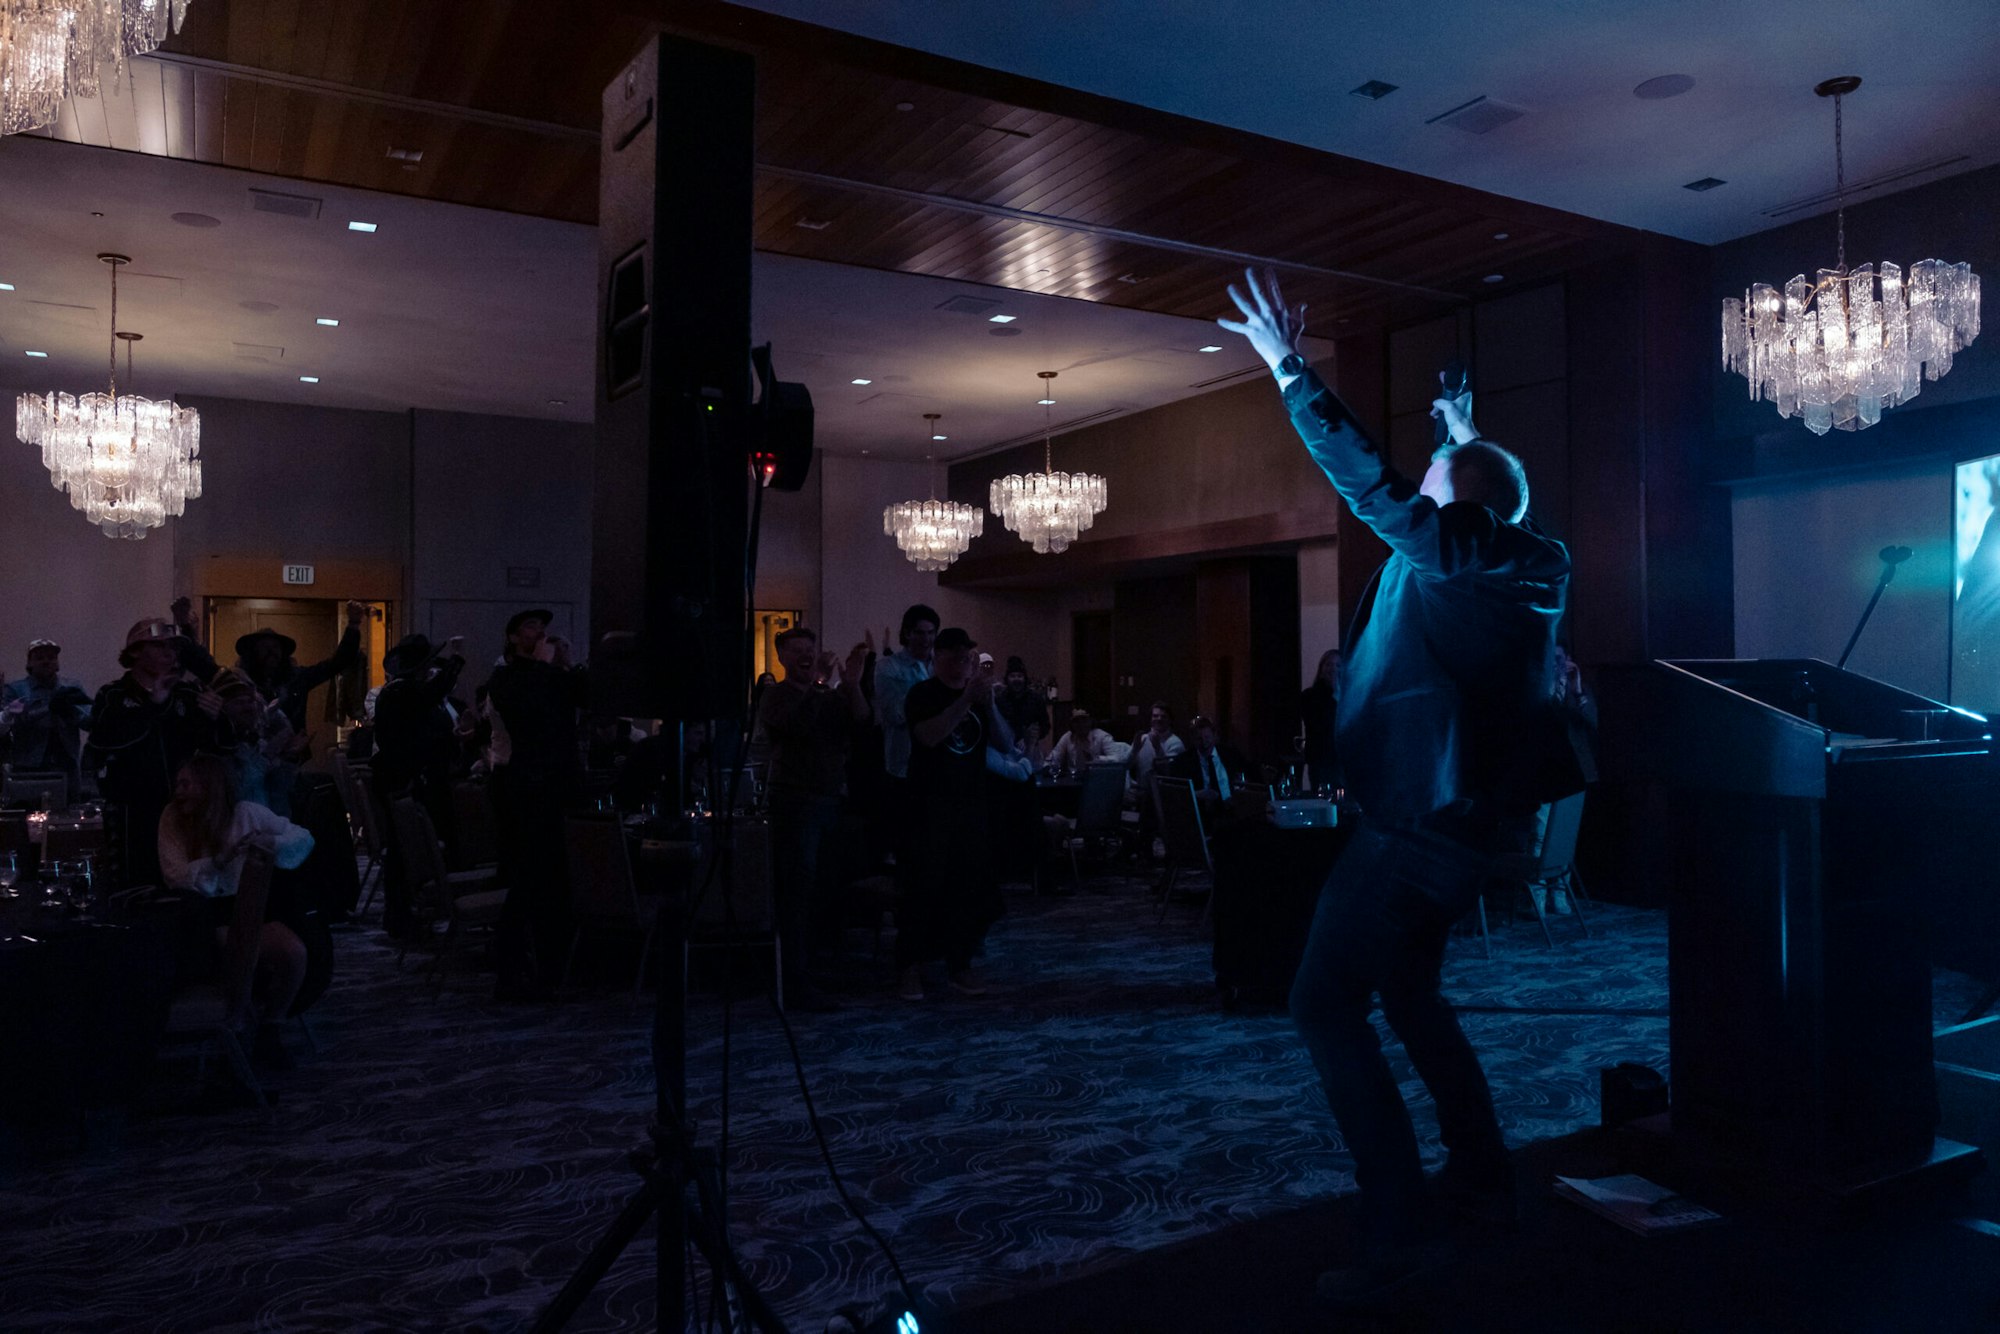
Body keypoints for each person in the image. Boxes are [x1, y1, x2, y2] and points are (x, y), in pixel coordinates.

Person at [1221, 268, 1581, 1305]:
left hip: (1415, 823)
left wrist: (1292, 371)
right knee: (1412, 994)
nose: (1415, 486)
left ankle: (1397, 1228)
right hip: (1458, 821)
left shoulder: (1453, 547)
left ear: (1453, 506)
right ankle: (1479, 1180)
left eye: (1435, 476)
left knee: (1321, 1001)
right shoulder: (1529, 557)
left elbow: (1384, 490)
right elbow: (1486, 499)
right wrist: (1465, 442)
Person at [157, 752, 315, 1067]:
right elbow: (175, 877)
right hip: (203, 914)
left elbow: (302, 837)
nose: (179, 791)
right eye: (179, 784)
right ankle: (235, 1036)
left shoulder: (246, 813)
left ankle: (272, 1025)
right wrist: (219, 861)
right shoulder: (172, 819)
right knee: (244, 953)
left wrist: (270, 842)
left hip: (250, 905)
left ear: (209, 786)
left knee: (294, 952)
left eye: (187, 784)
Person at [757, 627, 870, 1010]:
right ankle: (794, 981)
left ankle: (823, 970)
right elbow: (796, 726)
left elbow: (862, 722)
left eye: (811, 648)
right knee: (797, 892)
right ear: (783, 658)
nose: (807, 654)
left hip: (831, 801)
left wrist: (852, 685)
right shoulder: (775, 697)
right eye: (798, 651)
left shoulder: (829, 695)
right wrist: (822, 683)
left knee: (826, 888)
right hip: (795, 803)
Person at [485, 609, 587, 1001]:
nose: (540, 632)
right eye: (531, 626)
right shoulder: (506, 678)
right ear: (512, 637)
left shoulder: (551, 676)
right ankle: (510, 973)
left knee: (556, 880)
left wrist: (569, 666)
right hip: (526, 789)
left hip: (560, 785)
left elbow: (587, 698)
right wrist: (545, 670)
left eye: (543, 626)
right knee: (529, 878)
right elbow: (528, 717)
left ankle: (552, 967)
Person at [899, 627, 1005, 1001]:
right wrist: (964, 702)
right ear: (939, 657)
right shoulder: (923, 694)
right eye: (958, 656)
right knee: (923, 887)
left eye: (969, 657)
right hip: (930, 806)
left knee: (966, 887)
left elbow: (1005, 743)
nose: (964, 663)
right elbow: (928, 736)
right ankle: (909, 967)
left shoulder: (979, 698)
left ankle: (959, 966)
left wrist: (988, 704)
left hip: (971, 805)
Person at [86, 620, 229, 890]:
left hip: (184, 809)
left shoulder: (186, 693)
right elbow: (104, 742)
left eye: (173, 647)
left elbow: (213, 749)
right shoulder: (113, 695)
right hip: (134, 813)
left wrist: (216, 718)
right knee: (138, 885)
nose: (169, 653)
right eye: (159, 646)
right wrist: (153, 706)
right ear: (136, 652)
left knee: (185, 884)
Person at [0, 639, 94, 801]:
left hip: (67, 767)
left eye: (51, 657)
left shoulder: (71, 687)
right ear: (30, 663)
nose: (46, 662)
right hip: (29, 768)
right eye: (40, 657)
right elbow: (9, 723)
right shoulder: (16, 689)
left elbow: (88, 723)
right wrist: (48, 708)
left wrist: (71, 710)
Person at [213, 670, 304, 817]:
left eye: (250, 701)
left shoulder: (255, 742)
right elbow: (233, 794)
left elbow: (279, 797)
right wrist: (267, 757)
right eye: (239, 702)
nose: (248, 707)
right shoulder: (217, 746)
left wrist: (288, 757)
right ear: (222, 706)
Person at [1167, 715, 1245, 801]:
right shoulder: (1182, 761)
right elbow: (1175, 791)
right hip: (1201, 809)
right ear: (1193, 739)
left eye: (1207, 737)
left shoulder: (1230, 755)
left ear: (1214, 736)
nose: (1204, 742)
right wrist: (1195, 794)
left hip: (1230, 808)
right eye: (1199, 739)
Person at [1299, 649, 1342, 793]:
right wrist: (1335, 697)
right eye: (1329, 664)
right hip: (1321, 762)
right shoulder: (1309, 696)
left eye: (1338, 665)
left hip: (1344, 763)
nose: (1333, 669)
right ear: (1322, 668)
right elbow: (1319, 725)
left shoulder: (1349, 696)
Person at [1126, 702, 1185, 789]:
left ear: (1170, 720)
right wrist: (1134, 750)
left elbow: (1169, 773)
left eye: (1163, 716)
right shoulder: (1143, 739)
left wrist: (1158, 748)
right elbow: (1127, 765)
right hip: (1142, 793)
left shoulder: (1175, 743)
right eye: (1155, 716)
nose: (1159, 719)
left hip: (1163, 795)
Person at [1048, 709, 1115, 771]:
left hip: (1098, 777)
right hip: (1074, 780)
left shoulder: (1102, 736)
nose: (1081, 724)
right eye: (1076, 721)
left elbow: (1116, 758)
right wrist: (1047, 766)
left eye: (1084, 720)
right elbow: (1054, 757)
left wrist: (1095, 760)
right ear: (1071, 724)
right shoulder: (1067, 737)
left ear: (1091, 721)